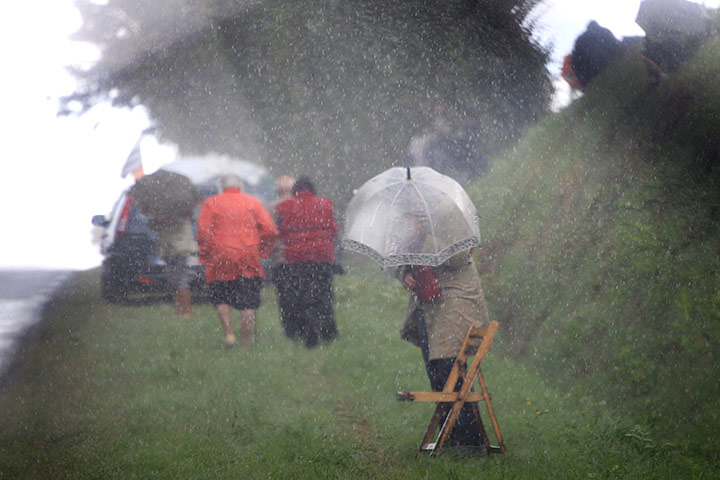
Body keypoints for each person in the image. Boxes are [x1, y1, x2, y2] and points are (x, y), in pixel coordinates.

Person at [397, 250, 491, 454]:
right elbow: (402, 254)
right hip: (427, 304)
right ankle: (451, 437)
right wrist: (405, 272)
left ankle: (468, 442)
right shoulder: (412, 224)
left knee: (450, 370)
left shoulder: (451, 220)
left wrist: (427, 240)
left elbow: (457, 257)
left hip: (456, 303)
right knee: (436, 372)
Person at [197, 174, 278, 348]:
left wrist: (205, 254)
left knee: (221, 297)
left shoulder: (211, 203)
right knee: (248, 301)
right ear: (240, 186)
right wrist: (262, 250)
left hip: (220, 255)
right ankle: (246, 343)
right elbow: (270, 230)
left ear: (221, 186)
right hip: (248, 254)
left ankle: (229, 333)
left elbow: (203, 232)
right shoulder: (253, 202)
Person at [275, 176, 339, 348]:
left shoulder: (284, 207)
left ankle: (306, 331)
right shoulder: (325, 204)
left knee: (299, 295)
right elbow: (333, 230)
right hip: (322, 256)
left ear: (295, 191)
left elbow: (280, 231)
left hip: (296, 258)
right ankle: (327, 332)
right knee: (323, 293)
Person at [147, 215, 198, 317]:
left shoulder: (180, 210)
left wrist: (163, 219)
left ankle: (186, 311)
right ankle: (179, 310)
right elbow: (155, 227)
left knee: (181, 280)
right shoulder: (167, 210)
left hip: (180, 248)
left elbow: (175, 223)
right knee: (173, 280)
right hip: (169, 249)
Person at [268, 176, 299, 340]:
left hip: (280, 258)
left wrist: (266, 252)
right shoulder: (302, 206)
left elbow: (268, 233)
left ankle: (290, 329)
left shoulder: (272, 208)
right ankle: (303, 327)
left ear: (278, 191)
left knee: (284, 296)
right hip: (300, 258)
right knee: (300, 293)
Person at [570, 20, 620, 89]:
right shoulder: (604, 32)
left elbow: (574, 62)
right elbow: (616, 46)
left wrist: (583, 80)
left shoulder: (581, 40)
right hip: (612, 66)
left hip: (591, 77)